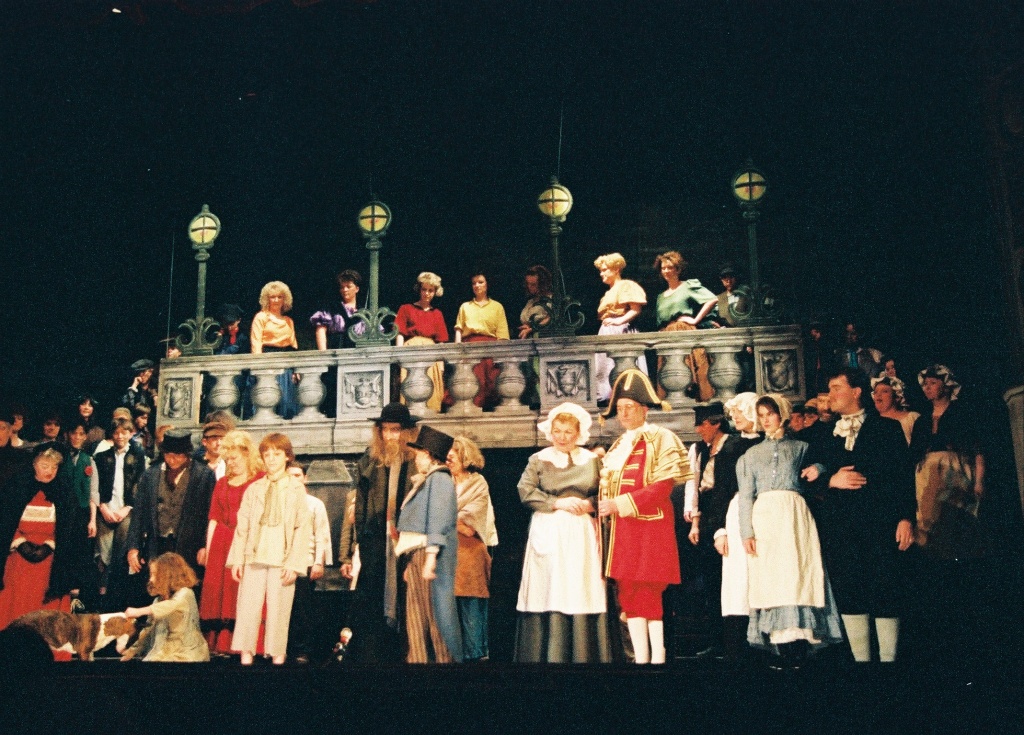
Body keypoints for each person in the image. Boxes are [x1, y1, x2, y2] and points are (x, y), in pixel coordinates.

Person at [803, 367, 915, 663]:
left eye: (836, 388)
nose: (831, 395)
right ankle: (862, 663)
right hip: (841, 526)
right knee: (850, 589)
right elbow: (803, 478)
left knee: (884, 587)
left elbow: (903, 477)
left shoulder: (886, 428)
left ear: (856, 392)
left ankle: (888, 663)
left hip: (880, 523)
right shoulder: (824, 434)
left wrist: (906, 518)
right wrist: (830, 480)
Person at [738, 394, 842, 666]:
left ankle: (801, 643)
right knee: (771, 577)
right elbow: (746, 495)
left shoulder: (801, 447)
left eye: (770, 414)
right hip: (765, 517)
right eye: (761, 416)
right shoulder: (751, 455)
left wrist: (818, 468)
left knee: (797, 573)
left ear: (781, 415)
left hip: (793, 516)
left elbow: (826, 463)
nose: (765, 420)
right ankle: (779, 643)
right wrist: (747, 532)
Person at [597, 369, 690, 664]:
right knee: (628, 593)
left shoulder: (661, 438)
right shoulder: (617, 445)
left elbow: (662, 488)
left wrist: (619, 503)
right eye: (620, 408)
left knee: (650, 593)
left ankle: (658, 659)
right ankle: (640, 659)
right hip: (623, 529)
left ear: (644, 409)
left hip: (650, 528)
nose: (624, 413)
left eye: (630, 407)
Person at [514, 402, 611, 663]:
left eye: (568, 431)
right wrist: (556, 503)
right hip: (550, 527)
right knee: (550, 584)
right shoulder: (539, 459)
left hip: (580, 530)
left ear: (578, 433)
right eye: (557, 431)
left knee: (580, 583)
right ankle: (545, 654)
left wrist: (590, 505)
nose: (562, 437)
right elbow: (525, 491)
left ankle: (583, 653)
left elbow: (605, 491)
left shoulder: (592, 461)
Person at [909, 364, 985, 666]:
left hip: (955, 471)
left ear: (945, 384)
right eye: (924, 384)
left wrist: (979, 481)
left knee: (957, 524)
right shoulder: (922, 419)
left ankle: (962, 582)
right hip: (928, 475)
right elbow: (914, 454)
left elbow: (977, 448)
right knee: (930, 528)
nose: (927, 388)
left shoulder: (961, 412)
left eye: (932, 383)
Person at [227, 433, 312, 666]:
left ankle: (277, 656)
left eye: (277, 454)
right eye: (267, 454)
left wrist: (294, 564)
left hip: (281, 558)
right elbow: (242, 526)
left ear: (287, 457)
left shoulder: (295, 489)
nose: (272, 459)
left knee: (279, 610)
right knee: (247, 608)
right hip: (254, 555)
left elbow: (302, 528)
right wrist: (237, 559)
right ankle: (246, 654)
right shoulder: (254, 489)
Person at [345, 403, 420, 662]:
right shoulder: (371, 459)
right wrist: (362, 540)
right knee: (372, 594)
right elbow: (362, 503)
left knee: (404, 593)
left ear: (406, 432)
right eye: (385, 430)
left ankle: (403, 652)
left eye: (395, 430)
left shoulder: (416, 460)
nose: (389, 436)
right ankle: (372, 653)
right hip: (376, 538)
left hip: (407, 538)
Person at [687, 402, 759, 660]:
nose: (698, 429)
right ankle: (716, 640)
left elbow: (728, 488)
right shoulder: (703, 450)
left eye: (703, 424)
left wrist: (721, 527)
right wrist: (696, 521)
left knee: (729, 581)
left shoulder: (734, 446)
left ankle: (738, 642)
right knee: (711, 582)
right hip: (708, 513)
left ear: (717, 423)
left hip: (726, 514)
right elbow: (697, 484)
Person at [125, 429, 217, 608]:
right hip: (157, 542)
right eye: (169, 455)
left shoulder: (203, 475)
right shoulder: (151, 475)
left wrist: (205, 546)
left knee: (184, 590)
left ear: (187, 455)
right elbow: (139, 513)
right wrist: (133, 546)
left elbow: (209, 514)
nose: (173, 460)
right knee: (157, 588)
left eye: (178, 456)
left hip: (189, 545)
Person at [395, 425, 463, 663]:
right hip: (417, 553)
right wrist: (411, 562)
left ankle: (443, 665)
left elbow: (438, 519)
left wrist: (430, 559)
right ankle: (418, 662)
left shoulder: (440, 480)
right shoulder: (429, 480)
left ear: (428, 455)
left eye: (418, 455)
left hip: (429, 552)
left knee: (435, 614)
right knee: (416, 614)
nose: (416, 460)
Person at [197, 430, 264, 654]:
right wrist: (209, 549)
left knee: (240, 591)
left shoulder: (259, 480)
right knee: (217, 592)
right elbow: (213, 519)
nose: (231, 463)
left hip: (246, 540)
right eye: (227, 459)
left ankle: (242, 644)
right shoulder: (222, 483)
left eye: (234, 458)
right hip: (221, 542)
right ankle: (219, 643)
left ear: (246, 454)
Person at [0, 447, 75, 629]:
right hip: (18, 558)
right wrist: (20, 543)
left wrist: (49, 545)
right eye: (45, 466)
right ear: (34, 465)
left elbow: (68, 530)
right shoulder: (16, 487)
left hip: (50, 561)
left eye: (54, 467)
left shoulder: (64, 492)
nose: (50, 471)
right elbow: (5, 523)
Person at [446, 435, 498, 662]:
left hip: (469, 556)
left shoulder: (477, 483)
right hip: (445, 555)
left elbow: (469, 527)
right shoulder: (441, 481)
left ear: (465, 457)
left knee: (472, 612)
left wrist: (442, 519)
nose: (449, 459)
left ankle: (476, 663)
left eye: (454, 455)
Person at [92, 417, 147, 610]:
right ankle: (102, 598)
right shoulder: (102, 457)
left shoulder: (138, 455)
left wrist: (127, 508)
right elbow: (97, 486)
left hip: (127, 510)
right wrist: (103, 507)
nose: (120, 436)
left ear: (130, 433)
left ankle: (118, 599)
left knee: (121, 553)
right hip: (106, 508)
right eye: (116, 433)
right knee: (103, 554)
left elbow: (139, 485)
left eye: (124, 432)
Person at [121, 552, 209, 662]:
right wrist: (133, 650)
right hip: (165, 653)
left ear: (168, 575)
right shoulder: (158, 600)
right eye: (151, 575)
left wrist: (139, 611)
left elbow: (171, 606)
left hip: (186, 655)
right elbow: (148, 630)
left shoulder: (185, 594)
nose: (151, 579)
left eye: (155, 574)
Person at [653, 251, 716, 402]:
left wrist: (695, 320)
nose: (666, 271)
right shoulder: (661, 296)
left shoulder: (687, 286)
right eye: (663, 268)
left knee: (692, 369)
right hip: (667, 335)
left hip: (684, 331)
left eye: (670, 267)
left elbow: (712, 299)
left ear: (678, 269)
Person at [286, 461, 332, 664]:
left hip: (305, 562)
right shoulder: (282, 501)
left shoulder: (314, 504)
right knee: (284, 610)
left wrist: (318, 562)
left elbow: (322, 534)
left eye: (297, 475)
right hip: (284, 563)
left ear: (305, 478)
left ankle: (302, 650)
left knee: (303, 610)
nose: (294, 479)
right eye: (290, 475)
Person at [593, 253, 648, 403]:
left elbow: (635, 309)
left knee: (623, 365)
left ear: (616, 269)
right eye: (601, 270)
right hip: (607, 331)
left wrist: (619, 321)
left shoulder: (626, 285)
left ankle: (627, 396)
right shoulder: (609, 292)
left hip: (620, 330)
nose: (601, 274)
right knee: (605, 367)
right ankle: (608, 397)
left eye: (605, 270)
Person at [454, 271, 510, 410]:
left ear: (487, 284)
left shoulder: (497, 306)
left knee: (491, 382)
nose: (477, 285)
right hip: (470, 348)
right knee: (472, 380)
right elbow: (459, 329)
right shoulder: (465, 306)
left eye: (480, 282)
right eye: (474, 283)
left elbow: (502, 334)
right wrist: (457, 352)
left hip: (490, 349)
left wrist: (499, 356)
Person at [395, 272, 450, 413]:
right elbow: (400, 333)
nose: (427, 293)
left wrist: (441, 365)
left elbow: (441, 341)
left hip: (430, 353)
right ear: (419, 290)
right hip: (411, 350)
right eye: (424, 289)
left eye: (430, 290)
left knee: (430, 389)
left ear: (435, 292)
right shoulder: (406, 308)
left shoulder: (437, 313)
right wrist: (399, 356)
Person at [61, 420, 100, 611]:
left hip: (82, 513)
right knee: (64, 554)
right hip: (63, 512)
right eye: (74, 433)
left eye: (81, 434)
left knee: (81, 555)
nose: (77, 437)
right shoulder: (61, 457)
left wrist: (92, 520)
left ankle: (78, 600)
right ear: (68, 435)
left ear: (85, 437)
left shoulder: (89, 460)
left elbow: (93, 492)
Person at [251, 280, 300, 419]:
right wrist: (259, 367)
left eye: (280, 297)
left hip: (286, 364)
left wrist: (296, 369)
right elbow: (256, 343)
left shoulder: (289, 321)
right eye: (273, 297)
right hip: (268, 361)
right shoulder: (261, 317)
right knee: (267, 400)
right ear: (267, 299)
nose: (276, 300)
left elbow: (293, 345)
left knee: (287, 401)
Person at [311, 269, 364, 350]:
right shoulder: (332, 309)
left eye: (348, 287)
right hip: (336, 351)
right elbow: (321, 330)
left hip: (358, 353)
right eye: (342, 287)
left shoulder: (364, 312)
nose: (345, 290)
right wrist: (323, 354)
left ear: (357, 289)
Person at [871, 376, 919, 445]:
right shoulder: (872, 423)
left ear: (897, 397)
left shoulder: (912, 417)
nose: (878, 395)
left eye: (885, 391)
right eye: (875, 392)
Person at [518, 264, 553, 339]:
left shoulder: (551, 300)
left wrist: (531, 329)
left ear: (542, 284)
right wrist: (527, 326)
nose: (529, 287)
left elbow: (551, 319)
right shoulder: (530, 302)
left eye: (533, 284)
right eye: (528, 283)